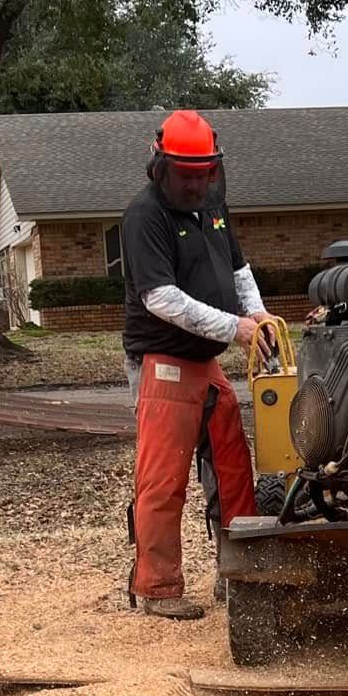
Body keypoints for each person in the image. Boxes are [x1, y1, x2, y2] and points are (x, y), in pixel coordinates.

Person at [120, 109, 275, 620]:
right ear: (159, 166)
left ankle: (239, 573)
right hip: (161, 358)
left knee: (232, 467)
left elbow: (238, 269)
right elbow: (160, 298)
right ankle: (158, 588)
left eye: (202, 173)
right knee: (163, 477)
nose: (193, 184)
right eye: (184, 174)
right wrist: (235, 328)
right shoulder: (145, 216)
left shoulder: (212, 204)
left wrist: (257, 314)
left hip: (204, 358)